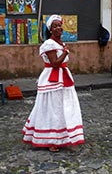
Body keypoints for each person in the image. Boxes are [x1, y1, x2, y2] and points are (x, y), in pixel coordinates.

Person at [22, 14, 85, 152]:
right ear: (50, 29)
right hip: (53, 79)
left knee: (64, 107)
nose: (58, 28)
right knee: (52, 108)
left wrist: (64, 51)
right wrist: (65, 52)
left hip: (63, 77)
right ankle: (52, 140)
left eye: (60, 25)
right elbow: (55, 63)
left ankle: (63, 136)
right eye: (55, 26)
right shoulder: (49, 44)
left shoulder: (60, 44)